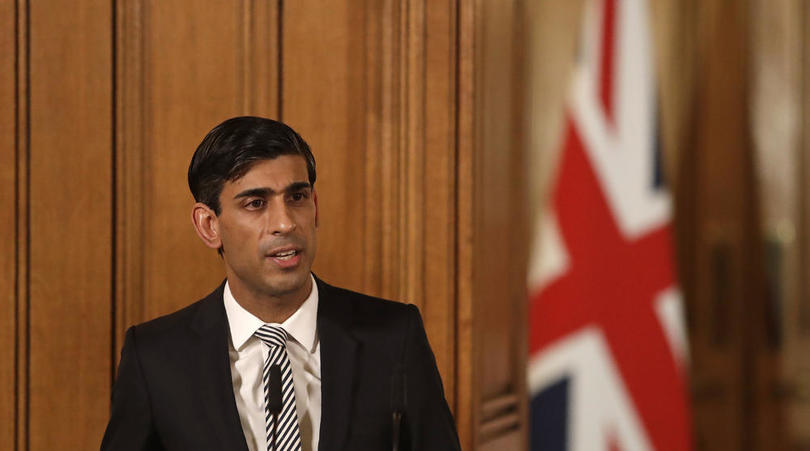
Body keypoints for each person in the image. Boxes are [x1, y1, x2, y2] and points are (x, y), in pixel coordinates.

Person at [100, 116, 460, 451]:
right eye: (256, 203)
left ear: (315, 207)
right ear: (209, 225)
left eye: (297, 197)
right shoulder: (155, 358)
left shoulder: (395, 336)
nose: (285, 223)